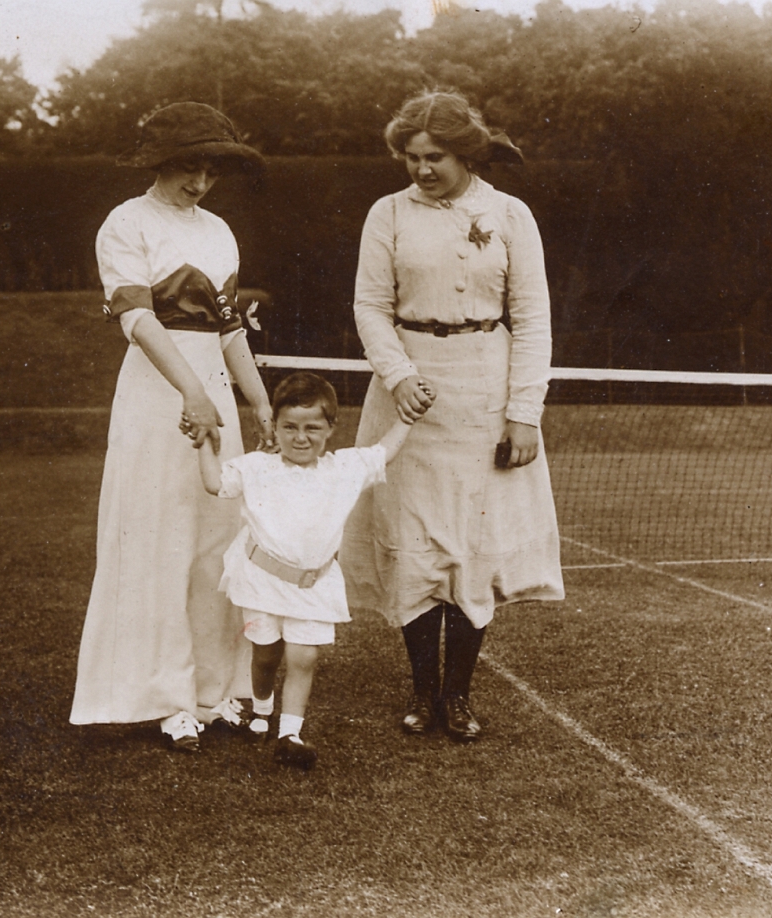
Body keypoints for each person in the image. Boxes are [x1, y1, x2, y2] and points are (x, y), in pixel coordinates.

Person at [341, 90, 565, 743]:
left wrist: (524, 413)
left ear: (465, 153)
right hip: (406, 397)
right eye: (410, 157)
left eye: (434, 156)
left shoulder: (510, 214)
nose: (420, 169)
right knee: (413, 549)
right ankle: (422, 693)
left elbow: (533, 320)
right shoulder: (386, 215)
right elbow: (370, 307)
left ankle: (459, 696)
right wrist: (399, 375)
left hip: (486, 395)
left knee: (472, 548)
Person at [70, 102, 274, 753]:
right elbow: (137, 321)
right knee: (157, 541)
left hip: (212, 391)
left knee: (219, 543)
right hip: (158, 398)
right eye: (188, 168)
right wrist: (190, 392)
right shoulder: (124, 224)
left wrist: (258, 401)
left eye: (210, 170)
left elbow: (228, 326)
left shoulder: (218, 230)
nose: (199, 183)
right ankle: (163, 698)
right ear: (159, 164)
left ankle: (215, 692)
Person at [198, 372, 428, 768]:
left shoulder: (344, 468)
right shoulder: (257, 467)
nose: (300, 437)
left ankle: (290, 734)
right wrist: (201, 439)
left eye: (312, 428)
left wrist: (407, 418)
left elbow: (384, 450)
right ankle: (263, 707)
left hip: (314, 585)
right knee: (266, 655)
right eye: (290, 427)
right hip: (261, 581)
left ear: (330, 429)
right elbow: (214, 483)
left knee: (304, 657)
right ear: (277, 427)